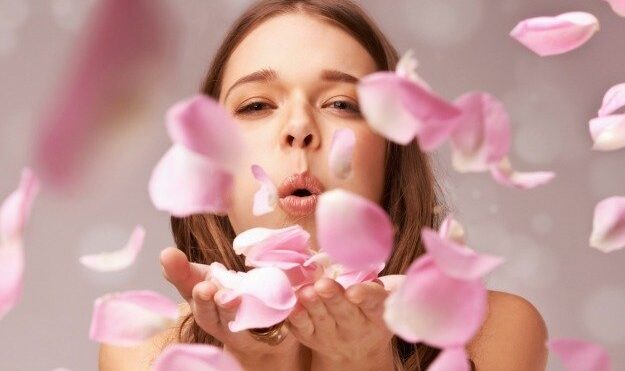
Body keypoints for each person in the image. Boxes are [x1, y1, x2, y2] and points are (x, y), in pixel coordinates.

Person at [99, 1, 548, 370]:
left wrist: (363, 362)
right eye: (256, 105)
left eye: (341, 103)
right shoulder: (142, 353)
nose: (299, 128)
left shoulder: (493, 332)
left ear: (393, 153)